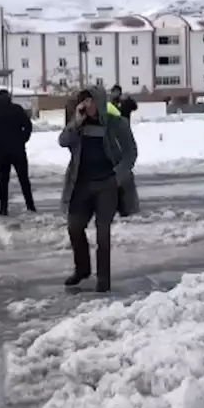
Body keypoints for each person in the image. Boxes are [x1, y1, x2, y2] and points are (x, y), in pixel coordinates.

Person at [58, 86, 138, 292]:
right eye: (84, 101)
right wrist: (75, 122)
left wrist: (117, 177)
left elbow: (131, 153)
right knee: (74, 227)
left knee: (103, 233)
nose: (87, 105)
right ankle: (82, 269)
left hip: (106, 185)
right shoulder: (79, 125)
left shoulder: (116, 123)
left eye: (91, 101)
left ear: (100, 103)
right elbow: (63, 142)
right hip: (81, 185)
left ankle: (104, 279)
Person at [0, 89, 36, 215]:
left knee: (3, 180)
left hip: (2, 151)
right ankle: (30, 206)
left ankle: (3, 208)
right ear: (9, 98)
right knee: (24, 179)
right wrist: (23, 139)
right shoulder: (17, 109)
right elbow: (28, 125)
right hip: (18, 149)